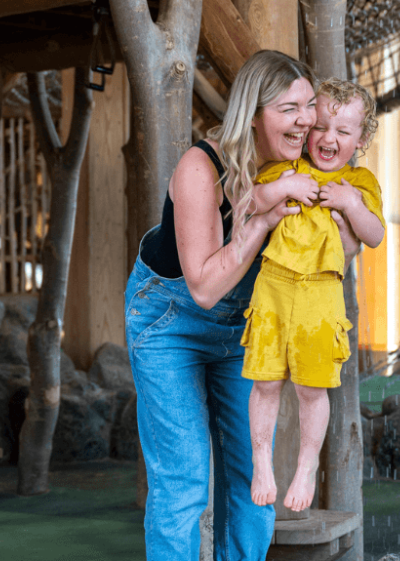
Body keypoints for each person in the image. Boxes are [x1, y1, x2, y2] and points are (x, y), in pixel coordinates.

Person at [124, 50, 362, 560]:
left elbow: (343, 249)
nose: (306, 120)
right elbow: (205, 289)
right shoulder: (200, 168)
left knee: (254, 474)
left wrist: (346, 223)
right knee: (185, 477)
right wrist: (264, 220)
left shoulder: (303, 166)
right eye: (289, 109)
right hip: (172, 321)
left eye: (309, 106)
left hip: (247, 327)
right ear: (253, 114)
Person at [242, 78, 385, 512]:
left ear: (361, 139)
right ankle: (261, 460)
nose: (328, 138)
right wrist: (284, 188)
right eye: (320, 126)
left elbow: (374, 235)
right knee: (266, 382)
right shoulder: (287, 167)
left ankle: (306, 466)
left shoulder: (359, 181)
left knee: (311, 389)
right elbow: (248, 201)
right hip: (273, 285)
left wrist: (351, 204)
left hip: (322, 294)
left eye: (343, 131)